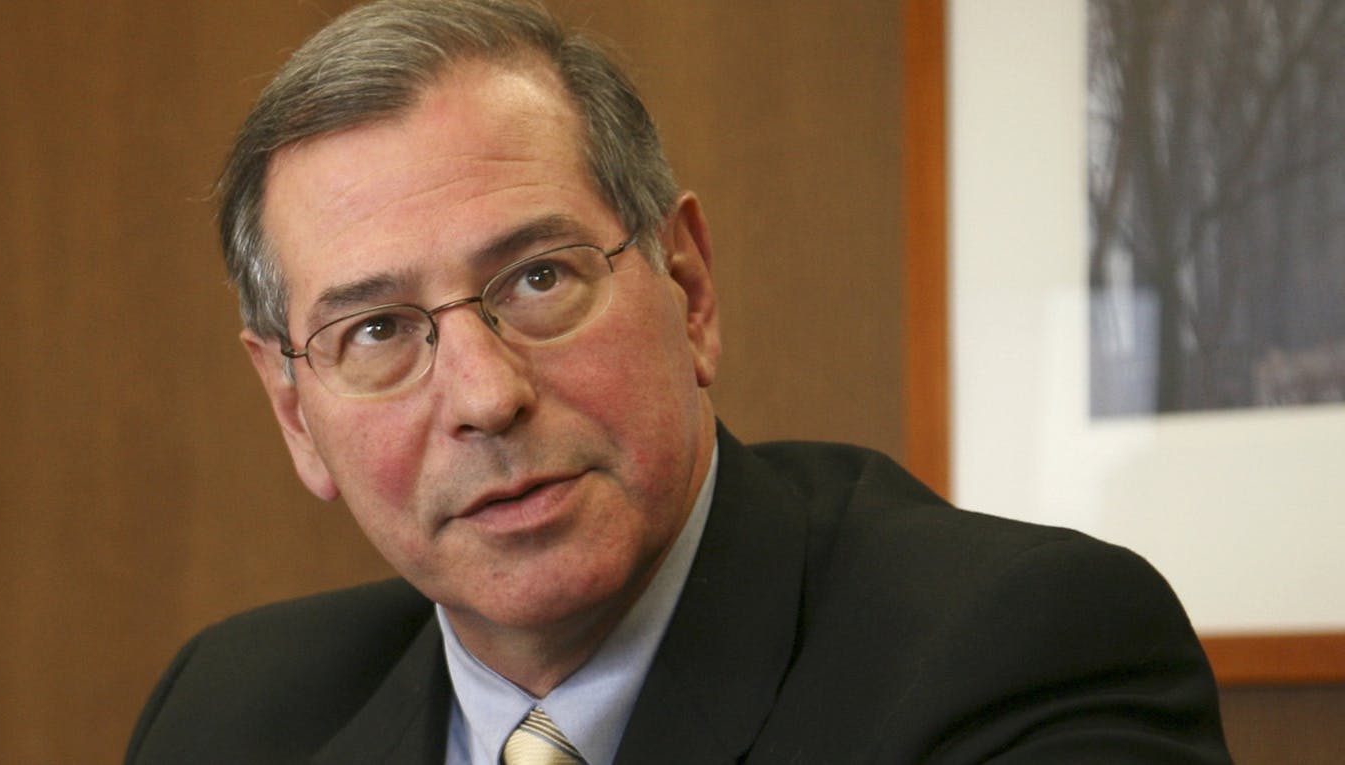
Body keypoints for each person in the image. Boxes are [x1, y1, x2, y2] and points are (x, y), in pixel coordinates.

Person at [126, 1, 1232, 762]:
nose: (482, 396)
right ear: (294, 413)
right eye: (375, 331)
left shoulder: (1014, 656)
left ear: (688, 288)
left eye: (538, 277)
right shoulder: (231, 716)